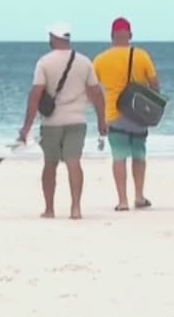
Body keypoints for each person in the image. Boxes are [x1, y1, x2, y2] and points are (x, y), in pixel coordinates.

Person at [18, 23, 108, 220]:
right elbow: (96, 94)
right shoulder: (84, 62)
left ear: (53, 38)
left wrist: (26, 127)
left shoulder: (44, 62)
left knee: (50, 164)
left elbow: (35, 95)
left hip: (51, 123)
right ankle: (76, 208)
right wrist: (102, 120)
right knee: (74, 162)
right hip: (77, 121)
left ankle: (49, 209)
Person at [94, 17, 160, 211]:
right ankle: (139, 196)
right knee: (139, 154)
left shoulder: (100, 59)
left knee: (119, 156)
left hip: (114, 114)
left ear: (111, 36)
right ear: (130, 35)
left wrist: (99, 115)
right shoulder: (141, 56)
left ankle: (122, 201)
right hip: (138, 114)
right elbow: (155, 85)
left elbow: (93, 89)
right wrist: (153, 106)